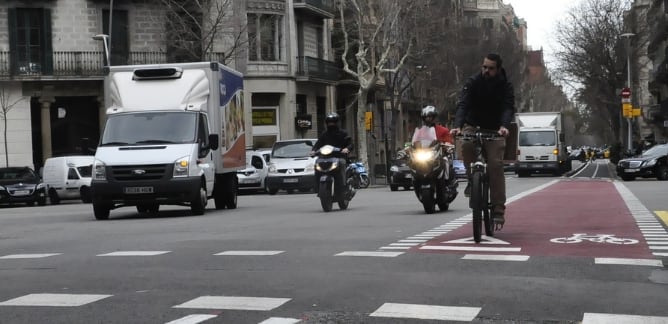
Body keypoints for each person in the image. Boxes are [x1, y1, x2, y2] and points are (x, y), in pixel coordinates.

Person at [450, 53, 515, 228]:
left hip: (495, 129)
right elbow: (463, 104)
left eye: (490, 68)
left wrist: (504, 126)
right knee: (466, 144)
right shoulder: (473, 82)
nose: (486, 71)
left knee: (495, 165)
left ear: (498, 69)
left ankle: (498, 212)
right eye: (484, 67)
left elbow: (508, 107)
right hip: (473, 125)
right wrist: (458, 126)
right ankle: (472, 181)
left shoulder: (506, 86)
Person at [311, 112, 354, 196]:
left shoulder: (343, 133)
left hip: (339, 157)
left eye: (333, 122)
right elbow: (318, 144)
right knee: (317, 163)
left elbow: (350, 143)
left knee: (341, 163)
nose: (331, 124)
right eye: (329, 122)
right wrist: (313, 150)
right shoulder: (324, 134)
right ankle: (317, 186)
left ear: (337, 122)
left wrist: (347, 148)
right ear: (326, 123)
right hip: (325, 157)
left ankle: (344, 186)